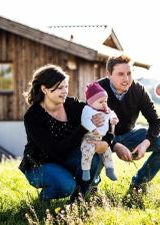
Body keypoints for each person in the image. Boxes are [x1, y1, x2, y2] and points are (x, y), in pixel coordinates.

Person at [18, 64, 113, 202]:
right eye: (60, 88)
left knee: (93, 156)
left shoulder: (72, 105)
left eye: (66, 86)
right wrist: (84, 127)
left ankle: (79, 199)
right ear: (44, 89)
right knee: (67, 186)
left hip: (66, 159)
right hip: (40, 165)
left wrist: (108, 141)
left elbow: (104, 116)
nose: (65, 91)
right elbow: (55, 151)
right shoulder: (33, 116)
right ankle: (43, 199)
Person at [97, 55, 160, 202]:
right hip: (101, 138)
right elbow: (90, 127)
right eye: (120, 74)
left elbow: (155, 121)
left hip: (129, 134)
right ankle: (92, 189)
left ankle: (138, 184)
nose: (126, 78)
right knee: (95, 147)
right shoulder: (97, 90)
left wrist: (145, 143)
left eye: (129, 73)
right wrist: (114, 145)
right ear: (108, 74)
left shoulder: (138, 89)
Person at [81, 82, 119, 181]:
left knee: (108, 152)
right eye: (100, 102)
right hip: (89, 137)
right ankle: (86, 171)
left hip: (101, 138)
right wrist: (93, 128)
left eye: (105, 101)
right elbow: (84, 120)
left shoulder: (106, 110)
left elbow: (113, 115)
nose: (104, 104)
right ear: (91, 102)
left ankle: (110, 170)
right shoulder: (88, 109)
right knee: (87, 151)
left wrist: (115, 119)